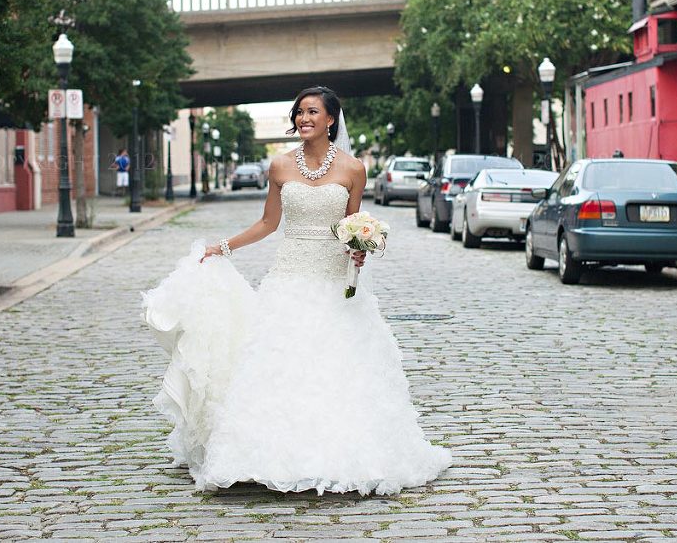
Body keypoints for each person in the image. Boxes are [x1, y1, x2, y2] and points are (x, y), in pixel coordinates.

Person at [142, 86, 452, 496]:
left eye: (312, 112)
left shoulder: (353, 169)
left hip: (332, 279)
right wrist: (224, 247)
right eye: (299, 112)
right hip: (288, 279)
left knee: (335, 368)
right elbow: (268, 224)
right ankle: (260, 457)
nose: (303, 118)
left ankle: (336, 454)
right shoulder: (280, 166)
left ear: (330, 120)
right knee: (278, 364)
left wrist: (360, 251)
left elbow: (353, 225)